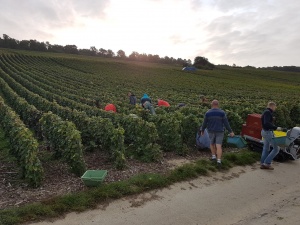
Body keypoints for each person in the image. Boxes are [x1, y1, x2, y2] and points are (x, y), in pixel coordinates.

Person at [201, 100, 234, 168]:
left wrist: (202, 130)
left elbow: (204, 123)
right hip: (220, 131)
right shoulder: (222, 113)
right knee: (218, 146)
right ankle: (219, 161)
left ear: (212, 104)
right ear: (218, 105)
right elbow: (226, 123)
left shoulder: (208, 113)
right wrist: (230, 131)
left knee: (211, 144)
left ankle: (213, 157)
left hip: (211, 131)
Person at [260, 102, 282, 170]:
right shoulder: (267, 112)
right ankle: (267, 163)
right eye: (275, 107)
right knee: (276, 149)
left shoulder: (265, 112)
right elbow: (266, 123)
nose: (275, 108)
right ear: (272, 106)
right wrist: (276, 128)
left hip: (264, 131)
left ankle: (263, 163)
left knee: (266, 148)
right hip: (267, 132)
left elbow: (266, 122)